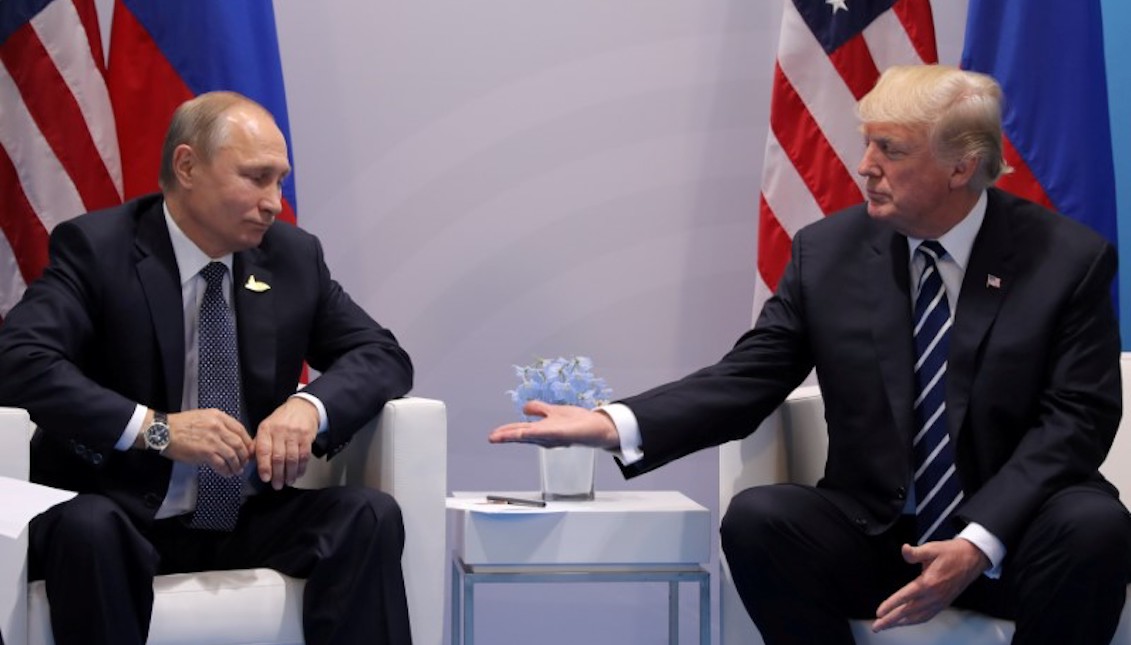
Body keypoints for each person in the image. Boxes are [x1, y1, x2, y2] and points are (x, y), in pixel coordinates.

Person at [490, 64, 1131, 644]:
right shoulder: (829, 253)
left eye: (892, 149)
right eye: (867, 143)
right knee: (761, 518)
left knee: (1094, 527)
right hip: (879, 534)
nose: (865, 165)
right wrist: (612, 423)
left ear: (961, 166)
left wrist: (976, 540)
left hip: (1013, 539)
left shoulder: (1066, 260)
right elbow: (749, 377)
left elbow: (1078, 418)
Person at [0, 91, 415, 645]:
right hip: (120, 511)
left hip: (244, 514)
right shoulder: (100, 249)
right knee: (89, 527)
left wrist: (307, 408)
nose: (273, 201)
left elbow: (382, 355)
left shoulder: (292, 257)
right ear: (188, 166)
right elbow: (18, 359)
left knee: (367, 515)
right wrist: (157, 428)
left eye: (280, 181)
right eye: (256, 178)